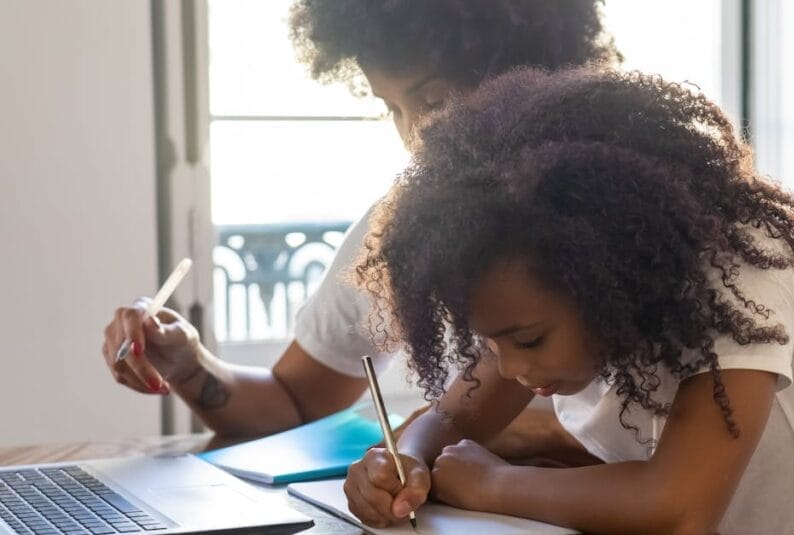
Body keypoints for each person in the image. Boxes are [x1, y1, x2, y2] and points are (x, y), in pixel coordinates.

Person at [345, 67, 794, 533]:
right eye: (487, 339)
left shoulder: (736, 270)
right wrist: (401, 459)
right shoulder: (530, 296)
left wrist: (494, 483)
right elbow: (448, 423)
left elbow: (679, 508)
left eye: (527, 339)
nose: (507, 366)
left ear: (603, 275)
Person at [99, 0, 620, 453]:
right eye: (392, 108)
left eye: (433, 101)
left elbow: (671, 460)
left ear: (526, 68)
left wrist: (520, 440)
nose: (415, 136)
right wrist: (188, 364)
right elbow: (297, 402)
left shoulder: (642, 218)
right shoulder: (402, 228)